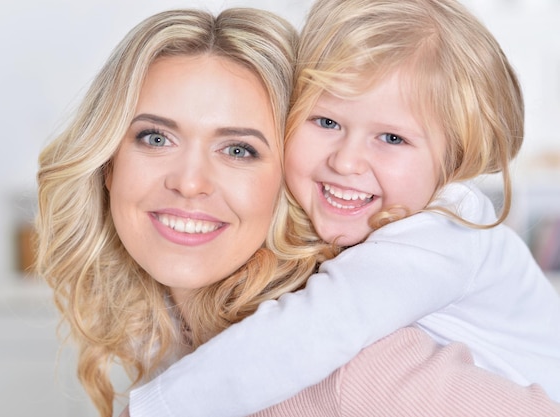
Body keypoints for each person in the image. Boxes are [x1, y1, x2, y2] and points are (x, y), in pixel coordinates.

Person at [126, 0, 560, 415]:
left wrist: (154, 408)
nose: (346, 161)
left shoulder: (443, 232)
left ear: (450, 162)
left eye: (392, 138)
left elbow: (312, 333)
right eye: (327, 122)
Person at [35, 8, 314, 417]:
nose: (188, 182)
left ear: (290, 180)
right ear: (108, 162)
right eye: (156, 138)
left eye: (238, 149)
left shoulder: (348, 367)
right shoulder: (166, 343)